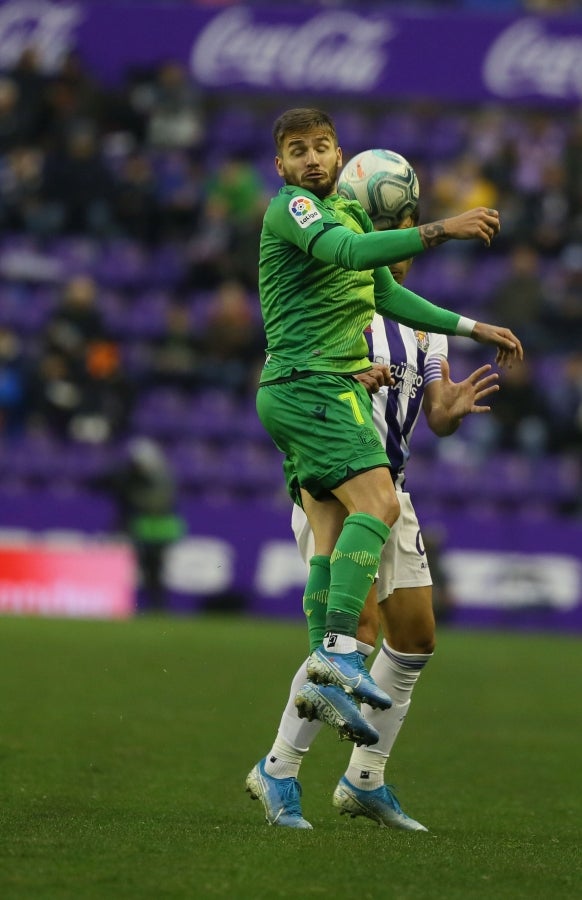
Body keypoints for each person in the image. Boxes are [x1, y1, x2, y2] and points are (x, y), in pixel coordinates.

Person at [246, 164, 503, 830]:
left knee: (414, 638)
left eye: (397, 227)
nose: (394, 240)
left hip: (393, 483)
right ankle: (277, 769)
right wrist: (356, 372)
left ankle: (365, 778)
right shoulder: (340, 301)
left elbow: (432, 409)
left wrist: (445, 413)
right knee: (352, 637)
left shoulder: (425, 330)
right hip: (338, 480)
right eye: (387, 226)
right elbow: (304, 370)